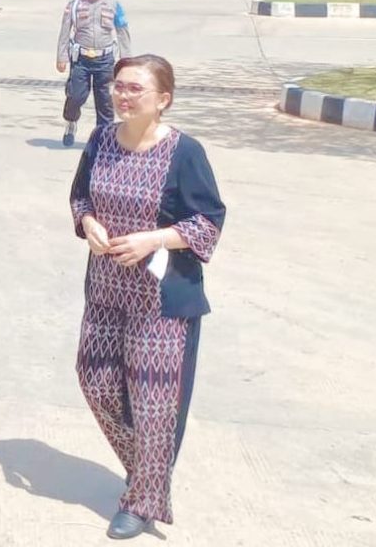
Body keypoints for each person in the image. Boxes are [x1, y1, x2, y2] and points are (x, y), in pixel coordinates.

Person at [69, 55, 225, 540]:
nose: (123, 95)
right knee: (95, 382)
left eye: (136, 89)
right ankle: (149, 474)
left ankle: (142, 501)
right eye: (119, 87)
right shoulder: (100, 141)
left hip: (162, 301)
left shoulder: (184, 152)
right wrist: (89, 223)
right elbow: (80, 197)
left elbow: (208, 221)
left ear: (163, 100)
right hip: (106, 290)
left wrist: (153, 239)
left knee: (155, 403)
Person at [56, 0, 132, 148]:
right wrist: (61, 56)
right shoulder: (74, 5)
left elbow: (122, 31)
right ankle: (71, 122)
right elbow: (65, 31)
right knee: (75, 95)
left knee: (105, 100)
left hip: (105, 60)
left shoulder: (114, 5)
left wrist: (126, 60)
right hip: (81, 59)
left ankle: (103, 137)